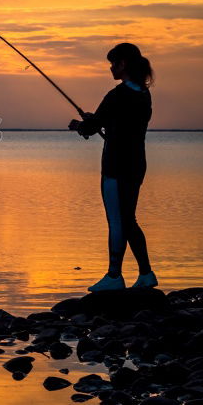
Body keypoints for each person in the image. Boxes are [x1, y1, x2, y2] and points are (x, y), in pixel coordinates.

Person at [69, 43, 156, 292]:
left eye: (113, 63)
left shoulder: (117, 95)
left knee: (118, 221)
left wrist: (79, 125)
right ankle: (146, 274)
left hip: (116, 166)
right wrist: (94, 121)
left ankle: (114, 276)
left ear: (123, 64)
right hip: (137, 163)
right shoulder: (142, 94)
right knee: (129, 220)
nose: (110, 67)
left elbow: (92, 126)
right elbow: (111, 123)